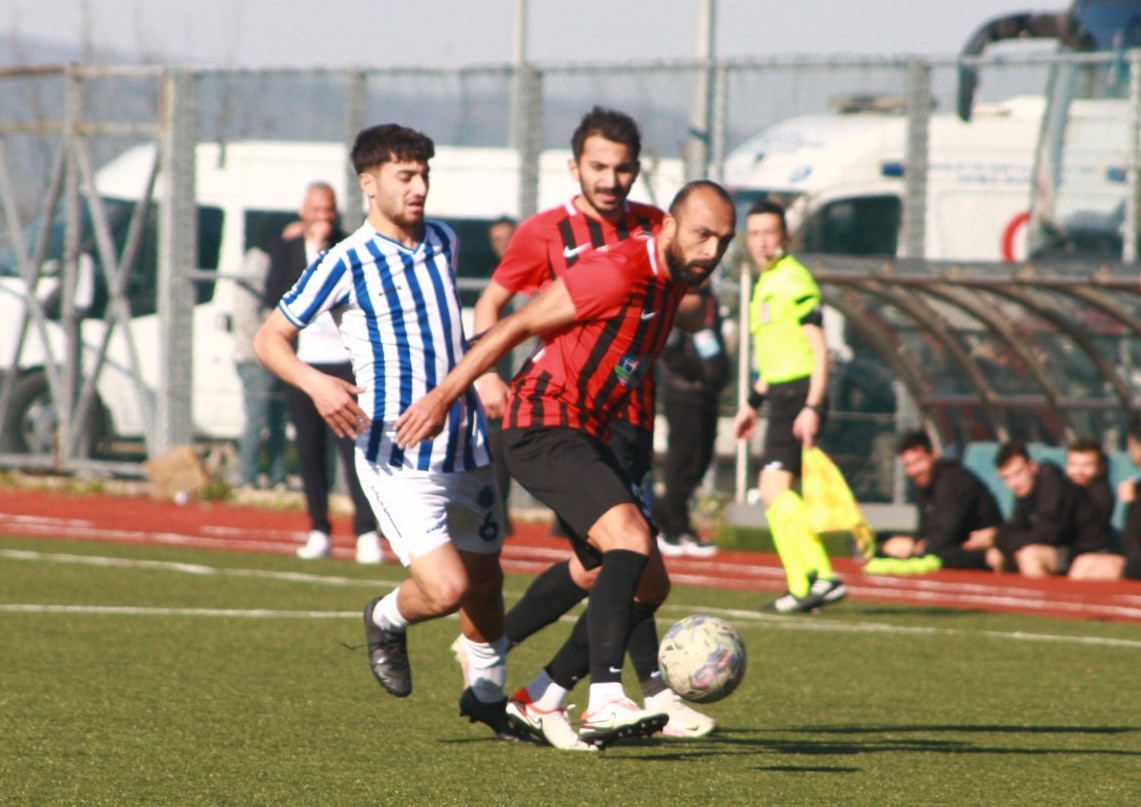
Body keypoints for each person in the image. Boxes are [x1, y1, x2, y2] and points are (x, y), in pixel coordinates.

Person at [396, 179, 737, 749]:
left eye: (723, 242)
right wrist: (444, 396)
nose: (711, 252)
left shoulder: (674, 284)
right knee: (627, 539)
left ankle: (541, 696)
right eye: (703, 235)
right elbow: (513, 325)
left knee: (645, 582)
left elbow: (691, 315)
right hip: (542, 423)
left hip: (587, 433)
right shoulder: (616, 269)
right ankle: (605, 697)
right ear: (670, 226)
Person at [254, 124, 519, 741]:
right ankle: (384, 616)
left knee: (485, 581)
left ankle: (487, 696)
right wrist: (318, 385)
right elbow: (269, 339)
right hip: (398, 456)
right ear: (368, 184)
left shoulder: (445, 241)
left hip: (466, 441)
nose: (420, 187)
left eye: (425, 174)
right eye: (406, 176)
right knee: (447, 586)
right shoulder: (343, 260)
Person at [464, 107, 716, 745]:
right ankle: (627, 690)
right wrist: (484, 378)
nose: (612, 179)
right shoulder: (546, 231)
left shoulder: (657, 228)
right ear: (575, 166)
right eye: (599, 166)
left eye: (624, 167)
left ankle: (539, 686)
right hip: (560, 411)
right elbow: (498, 307)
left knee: (614, 565)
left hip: (626, 413)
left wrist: (692, 301)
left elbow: (681, 304)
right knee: (624, 549)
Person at [733, 200, 846, 613]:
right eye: (756, 233)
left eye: (770, 233)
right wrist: (750, 404)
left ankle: (823, 576)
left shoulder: (794, 280)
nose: (763, 242)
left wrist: (813, 406)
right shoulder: (765, 283)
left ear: (786, 237)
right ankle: (801, 588)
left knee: (774, 489)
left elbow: (819, 352)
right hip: (781, 395)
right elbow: (777, 358)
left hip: (800, 396)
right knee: (773, 494)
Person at [263, 182, 382, 566]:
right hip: (304, 367)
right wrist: (308, 249)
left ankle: (366, 532)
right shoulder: (288, 249)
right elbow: (275, 296)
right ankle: (319, 529)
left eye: (328, 210)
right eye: (316, 209)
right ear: (303, 210)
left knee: (354, 451)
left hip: (345, 365)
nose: (323, 217)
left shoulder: (348, 247)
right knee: (310, 452)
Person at [653, 280, 728, 557]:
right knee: (683, 460)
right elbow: (669, 347)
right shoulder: (681, 296)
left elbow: (712, 343)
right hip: (684, 394)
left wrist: (717, 376)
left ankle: (676, 522)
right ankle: (668, 526)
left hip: (706, 394)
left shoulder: (709, 297)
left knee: (699, 460)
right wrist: (697, 376)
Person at [880, 430, 1002, 570]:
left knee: (933, 554)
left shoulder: (954, 481)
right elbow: (926, 530)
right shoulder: (923, 485)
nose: (914, 470)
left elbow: (948, 533)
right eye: (908, 465)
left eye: (918, 461)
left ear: (933, 455)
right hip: (954, 547)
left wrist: (914, 548)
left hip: (981, 548)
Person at [989, 440, 1102, 577]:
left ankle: (1039, 598)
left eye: (1017, 473)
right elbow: (1019, 526)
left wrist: (997, 538)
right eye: (1006, 478)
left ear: (1032, 467)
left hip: (1085, 551)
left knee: (1030, 556)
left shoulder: (1053, 486)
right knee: (996, 554)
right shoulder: (1024, 491)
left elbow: (1046, 535)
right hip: (1061, 550)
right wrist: (998, 538)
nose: (1014, 483)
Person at [231, 246, 288, 491]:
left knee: (278, 420)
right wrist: (267, 348)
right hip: (256, 359)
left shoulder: (277, 262)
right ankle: (248, 477)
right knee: (257, 419)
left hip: (279, 355)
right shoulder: (257, 265)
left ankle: (278, 477)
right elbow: (246, 318)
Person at [1064, 438, 1125, 580]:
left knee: (1082, 568)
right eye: (1073, 464)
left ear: (1100, 467)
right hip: (1070, 552)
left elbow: (1089, 524)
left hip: (1097, 554)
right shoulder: (1063, 489)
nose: (1079, 471)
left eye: (1087, 465)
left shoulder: (1101, 492)